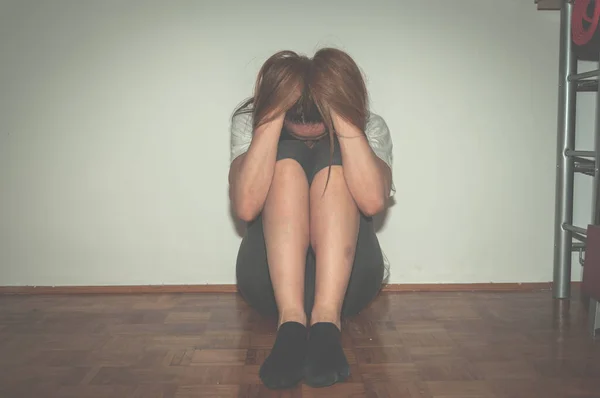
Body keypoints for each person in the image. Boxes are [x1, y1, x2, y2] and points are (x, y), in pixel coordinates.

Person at [228, 48, 394, 389]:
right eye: (296, 120)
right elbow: (245, 207)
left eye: (317, 121)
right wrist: (272, 114)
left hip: (348, 284)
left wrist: (342, 112)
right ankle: (290, 325)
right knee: (286, 158)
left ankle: (325, 324)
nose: (308, 130)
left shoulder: (370, 126)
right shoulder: (251, 124)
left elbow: (374, 200)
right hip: (268, 284)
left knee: (334, 159)